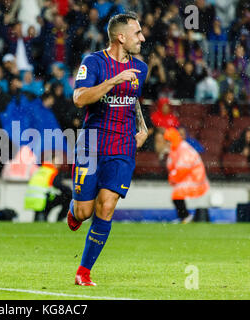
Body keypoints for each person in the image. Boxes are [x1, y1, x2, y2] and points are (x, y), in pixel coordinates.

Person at [67, 12, 148, 286]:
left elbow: (133, 100)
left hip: (123, 146)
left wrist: (143, 126)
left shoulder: (141, 69)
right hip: (91, 144)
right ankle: (73, 208)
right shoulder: (93, 63)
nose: (143, 38)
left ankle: (84, 271)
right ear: (121, 37)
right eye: (138, 33)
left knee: (107, 206)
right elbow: (79, 99)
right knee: (84, 212)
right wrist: (113, 81)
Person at [163, 128, 210, 224]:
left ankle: (186, 217)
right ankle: (186, 216)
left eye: (168, 141)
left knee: (177, 195)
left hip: (195, 177)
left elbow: (182, 168)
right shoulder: (176, 149)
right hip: (190, 176)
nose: (167, 143)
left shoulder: (183, 149)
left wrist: (172, 177)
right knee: (177, 196)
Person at [24, 157, 71, 222]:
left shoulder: (40, 170)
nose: (59, 165)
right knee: (68, 196)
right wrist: (69, 189)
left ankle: (41, 219)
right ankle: (60, 219)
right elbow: (57, 184)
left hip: (32, 198)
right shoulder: (52, 171)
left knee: (39, 217)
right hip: (43, 198)